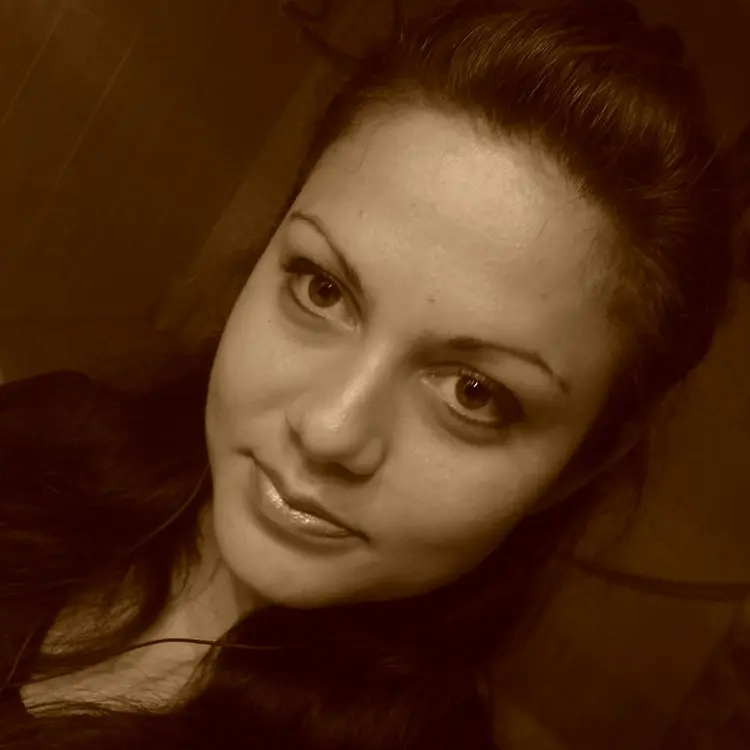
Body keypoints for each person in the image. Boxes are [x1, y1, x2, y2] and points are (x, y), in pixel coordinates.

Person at [0, 1, 741, 748]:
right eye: (323, 289)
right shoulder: (47, 435)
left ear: (579, 465)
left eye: (473, 393)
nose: (329, 431)